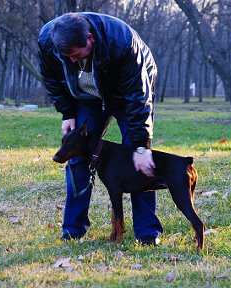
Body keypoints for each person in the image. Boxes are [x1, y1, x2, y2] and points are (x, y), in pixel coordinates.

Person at [38, 12, 163, 245]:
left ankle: (147, 232)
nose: (73, 61)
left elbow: (138, 100)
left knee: (139, 160)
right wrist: (68, 112)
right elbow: (51, 79)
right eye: (67, 57)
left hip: (127, 96)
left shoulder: (123, 43)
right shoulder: (49, 41)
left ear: (90, 38)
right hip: (87, 98)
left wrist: (140, 147)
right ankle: (73, 230)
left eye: (76, 54)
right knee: (77, 156)